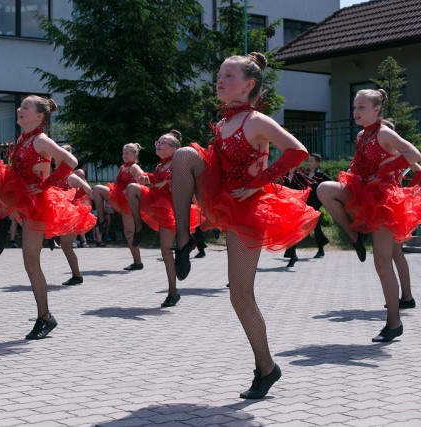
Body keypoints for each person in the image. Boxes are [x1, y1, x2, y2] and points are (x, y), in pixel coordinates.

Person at [171, 53, 320, 399]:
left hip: (250, 209)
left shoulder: (256, 121)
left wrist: (259, 182)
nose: (220, 81)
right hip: (224, 197)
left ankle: (266, 367)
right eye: (219, 75)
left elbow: (296, 151)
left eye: (229, 76)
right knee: (183, 156)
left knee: (240, 295)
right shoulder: (223, 124)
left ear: (249, 84)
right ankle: (183, 241)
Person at [318, 91, 421, 343]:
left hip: (385, 202)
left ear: (376, 110)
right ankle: (354, 236)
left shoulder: (384, 133)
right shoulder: (362, 135)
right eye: (355, 106)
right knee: (324, 189)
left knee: (383, 263)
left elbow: (414, 155)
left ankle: (394, 322)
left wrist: (388, 168)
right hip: (362, 193)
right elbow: (359, 165)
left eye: (362, 107)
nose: (356, 111)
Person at [0, 95, 80, 340]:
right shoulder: (24, 139)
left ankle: (45, 317)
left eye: (25, 107)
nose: (19, 110)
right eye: (20, 106)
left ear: (39, 117)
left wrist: (47, 185)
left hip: (36, 204)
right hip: (19, 195)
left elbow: (71, 161)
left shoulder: (42, 139)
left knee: (31, 263)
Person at [126, 130, 201, 307]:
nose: (158, 144)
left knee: (166, 252)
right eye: (157, 141)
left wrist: (168, 182)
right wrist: (147, 177)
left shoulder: (178, 163)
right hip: (156, 202)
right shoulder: (161, 165)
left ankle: (173, 292)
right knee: (131, 187)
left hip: (171, 209)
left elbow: (186, 182)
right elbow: (154, 179)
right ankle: (139, 226)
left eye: (163, 142)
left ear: (174, 148)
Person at [92, 143, 145, 270]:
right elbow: (116, 186)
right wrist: (111, 202)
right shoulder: (123, 167)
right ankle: (102, 220)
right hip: (118, 197)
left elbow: (142, 180)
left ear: (134, 154)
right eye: (123, 153)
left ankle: (138, 262)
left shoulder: (134, 167)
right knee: (98, 189)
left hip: (128, 203)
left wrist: (138, 183)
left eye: (127, 153)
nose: (124, 155)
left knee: (129, 233)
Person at [51, 146, 96, 286]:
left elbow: (90, 191)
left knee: (66, 245)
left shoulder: (71, 177)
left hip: (69, 215)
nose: (57, 166)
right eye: (56, 164)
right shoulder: (53, 177)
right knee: (65, 245)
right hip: (57, 214)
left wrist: (79, 196)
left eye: (59, 163)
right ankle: (76, 275)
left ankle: (77, 276)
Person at [282, 154, 332, 267]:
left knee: (312, 229)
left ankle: (294, 254)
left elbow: (316, 185)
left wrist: (311, 196)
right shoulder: (285, 176)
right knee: (291, 231)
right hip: (290, 208)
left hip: (305, 207)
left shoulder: (300, 176)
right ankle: (292, 255)